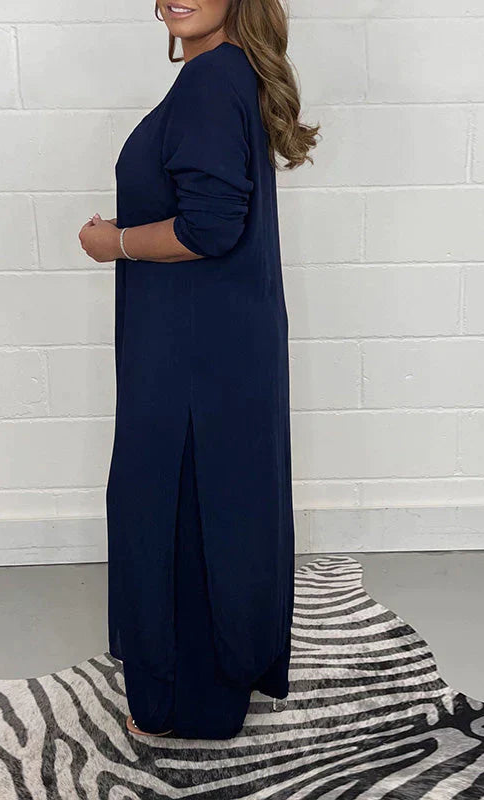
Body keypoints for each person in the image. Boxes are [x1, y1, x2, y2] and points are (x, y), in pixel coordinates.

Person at [78, 0, 319, 740]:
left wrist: (115, 242)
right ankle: (215, 683)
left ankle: (183, 704)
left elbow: (209, 227)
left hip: (189, 350)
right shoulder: (233, 74)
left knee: (170, 506)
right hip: (218, 341)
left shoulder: (212, 81)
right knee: (213, 503)